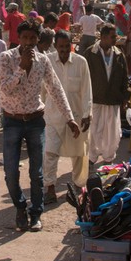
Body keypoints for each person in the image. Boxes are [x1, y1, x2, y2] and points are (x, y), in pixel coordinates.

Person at [0, 18, 78, 232]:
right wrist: (22, 68)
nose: (29, 42)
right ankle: (20, 207)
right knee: (11, 172)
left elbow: (56, 89)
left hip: (35, 121)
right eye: (25, 38)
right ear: (18, 39)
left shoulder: (43, 61)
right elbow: (5, 89)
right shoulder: (6, 58)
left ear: (38, 40)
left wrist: (69, 118)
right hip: (12, 120)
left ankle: (36, 213)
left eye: (33, 38)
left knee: (36, 172)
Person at [43, 30, 92, 205]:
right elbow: (42, 90)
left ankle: (79, 185)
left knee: (79, 153)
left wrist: (87, 114)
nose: (63, 50)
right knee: (50, 152)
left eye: (66, 46)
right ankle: (49, 188)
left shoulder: (81, 62)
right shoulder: (47, 61)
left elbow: (87, 90)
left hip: (77, 117)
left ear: (71, 45)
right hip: (52, 116)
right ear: (55, 46)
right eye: (60, 47)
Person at [84, 23, 130, 165]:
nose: (115, 39)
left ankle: (109, 156)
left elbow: (124, 78)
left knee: (112, 131)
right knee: (94, 129)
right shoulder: (90, 53)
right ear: (103, 37)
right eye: (112, 37)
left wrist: (125, 98)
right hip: (95, 99)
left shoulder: (119, 55)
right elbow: (84, 78)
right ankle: (92, 157)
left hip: (113, 99)